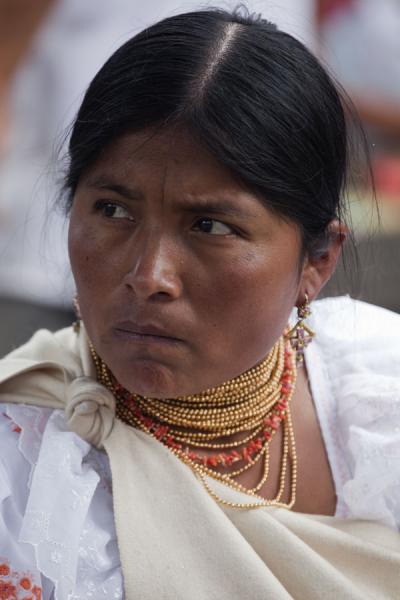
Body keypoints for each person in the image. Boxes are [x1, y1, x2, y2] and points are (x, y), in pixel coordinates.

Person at [0, 8, 399, 599]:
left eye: (210, 225)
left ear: (317, 261)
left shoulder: (378, 394)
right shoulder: (23, 470)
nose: (149, 276)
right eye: (112, 210)